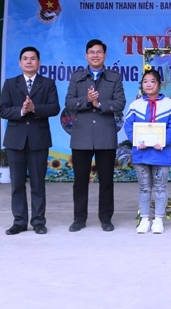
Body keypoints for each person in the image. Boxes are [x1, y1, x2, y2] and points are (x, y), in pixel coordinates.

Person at [65, 39, 126, 232]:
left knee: (106, 181)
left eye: (99, 52)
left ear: (105, 55)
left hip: (105, 136)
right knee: (80, 182)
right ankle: (79, 219)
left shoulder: (114, 77)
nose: (95, 55)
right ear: (86, 55)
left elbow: (120, 103)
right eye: (91, 52)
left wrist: (100, 104)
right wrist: (87, 100)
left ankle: (106, 219)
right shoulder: (77, 77)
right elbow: (69, 103)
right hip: (81, 136)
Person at [0, 47, 60, 235]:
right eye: (25, 58)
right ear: (19, 63)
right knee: (17, 184)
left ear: (38, 63)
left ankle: (38, 221)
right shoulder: (10, 83)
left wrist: (34, 108)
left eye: (32, 58)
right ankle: (19, 221)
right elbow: (2, 110)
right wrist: (21, 110)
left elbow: (54, 108)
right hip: (15, 140)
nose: (29, 61)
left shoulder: (47, 83)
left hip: (38, 140)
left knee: (38, 183)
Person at [124, 69, 171, 234]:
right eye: (145, 82)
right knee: (144, 188)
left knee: (160, 188)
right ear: (142, 85)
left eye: (152, 81)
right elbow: (128, 125)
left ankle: (158, 220)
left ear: (159, 84)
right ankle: (144, 220)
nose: (148, 85)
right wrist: (136, 140)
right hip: (141, 154)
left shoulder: (169, 105)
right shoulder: (135, 105)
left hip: (161, 154)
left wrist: (164, 140)